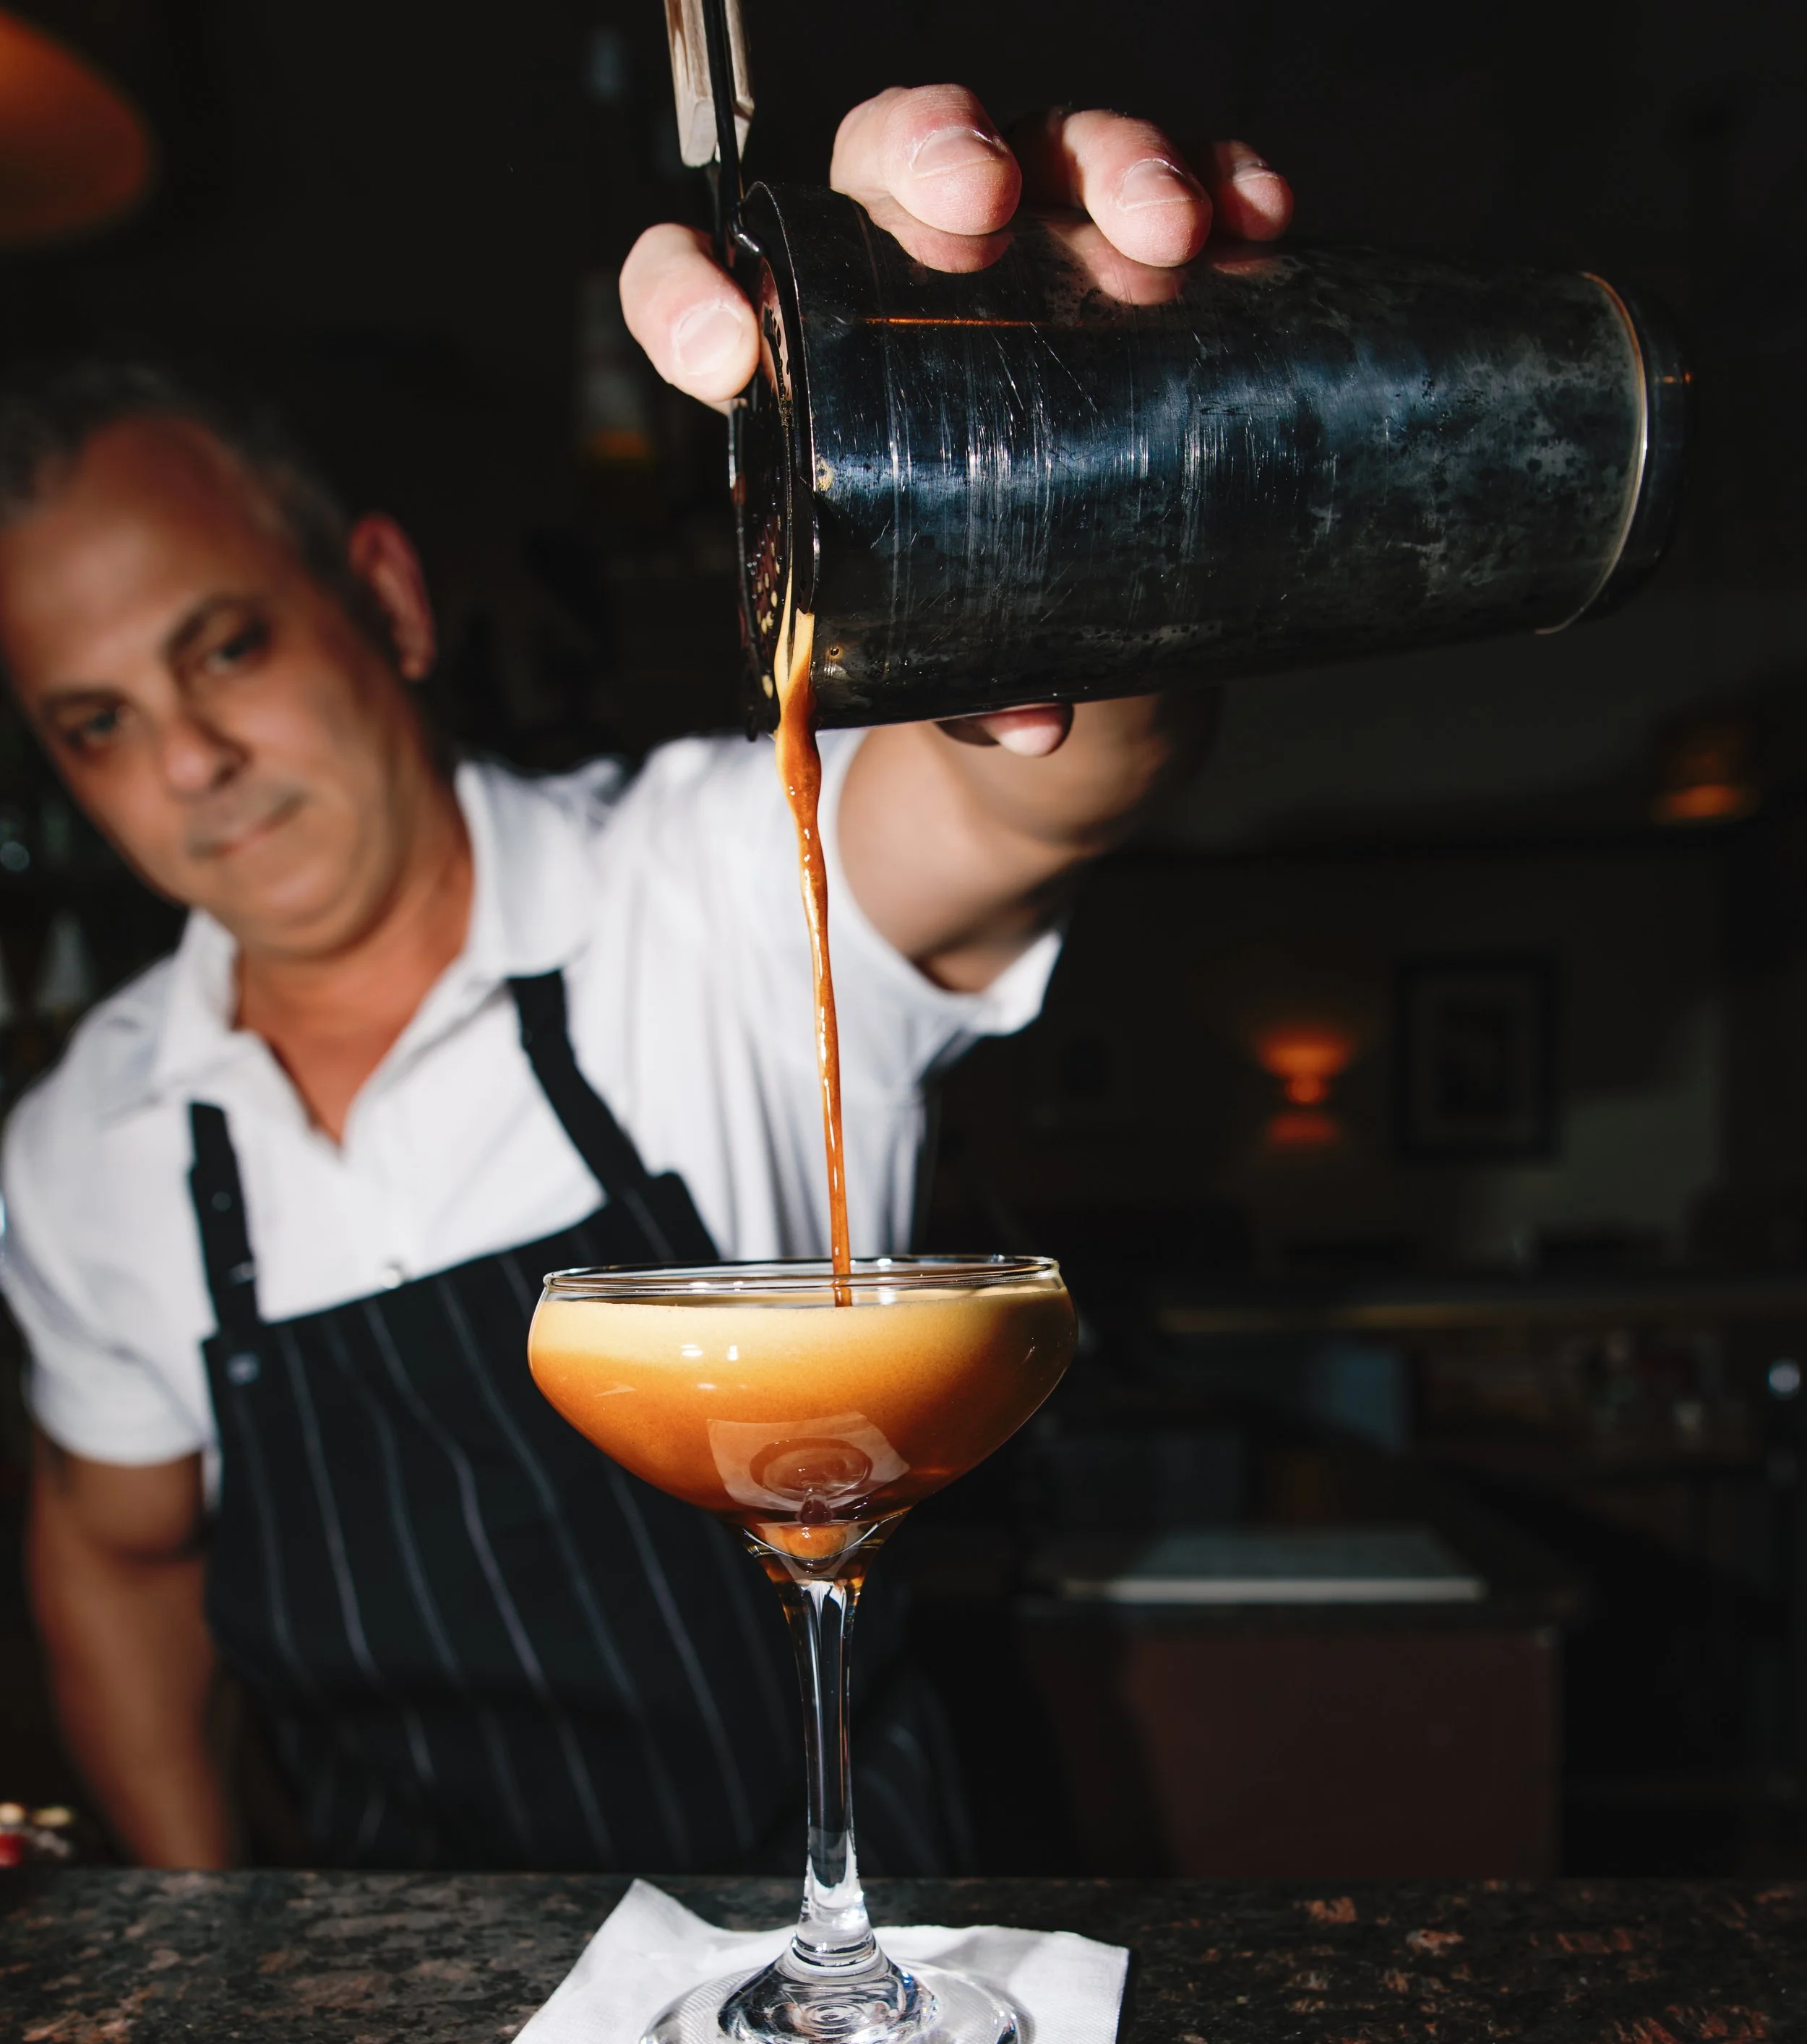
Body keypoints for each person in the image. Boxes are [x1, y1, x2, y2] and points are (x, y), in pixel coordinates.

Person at [0, 88, 1293, 1873]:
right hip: (403, 2025)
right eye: (99, 727)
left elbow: (1044, 781)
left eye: (225, 648)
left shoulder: (699, 879)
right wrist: (207, 1960)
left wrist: (1060, 445)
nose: (192, 762)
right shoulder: (90, 1142)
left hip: (832, 1935)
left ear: (381, 602)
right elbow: (115, 1558)